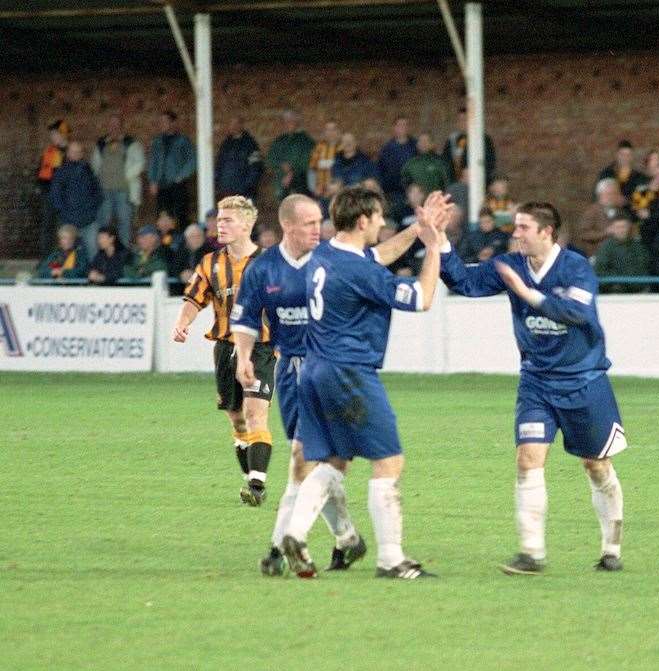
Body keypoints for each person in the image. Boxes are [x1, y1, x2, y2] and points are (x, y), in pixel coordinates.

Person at [231, 191, 429, 576]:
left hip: (321, 368)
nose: (317, 229)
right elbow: (245, 317)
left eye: (320, 221)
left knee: (313, 461)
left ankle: (292, 545)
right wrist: (242, 357)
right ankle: (344, 539)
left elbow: (377, 255)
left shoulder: (329, 256)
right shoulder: (265, 268)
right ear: (287, 225)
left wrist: (417, 230)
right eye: (308, 223)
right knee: (315, 460)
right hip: (299, 371)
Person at [437, 201, 628, 574]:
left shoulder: (576, 267)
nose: (516, 234)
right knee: (528, 459)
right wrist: (440, 241)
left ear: (546, 232)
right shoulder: (511, 264)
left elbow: (576, 313)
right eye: (516, 227)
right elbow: (466, 282)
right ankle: (531, 553)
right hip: (537, 382)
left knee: (596, 465)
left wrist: (526, 293)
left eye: (523, 227)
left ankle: (611, 546)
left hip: (583, 382)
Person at [172, 196, 274, 506]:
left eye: (227, 220)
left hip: (261, 347)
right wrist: (182, 323)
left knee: (255, 412)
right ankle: (250, 478)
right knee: (236, 418)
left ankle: (257, 485)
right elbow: (193, 298)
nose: (220, 224)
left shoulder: (270, 262)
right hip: (225, 347)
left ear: (247, 224)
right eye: (219, 219)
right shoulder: (210, 263)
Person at [91, 113, 146, 248]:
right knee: (104, 223)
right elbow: (94, 165)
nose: (114, 127)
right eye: (111, 124)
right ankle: (105, 253)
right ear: (108, 126)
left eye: (116, 124)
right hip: (104, 190)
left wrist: (126, 176)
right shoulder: (101, 143)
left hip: (124, 190)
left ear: (121, 126)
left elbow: (140, 163)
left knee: (125, 223)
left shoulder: (131, 143)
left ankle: (124, 254)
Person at [49, 141, 102, 259]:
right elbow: (55, 196)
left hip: (88, 221)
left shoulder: (89, 171)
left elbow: (97, 193)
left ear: (82, 154)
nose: (76, 154)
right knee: (67, 254)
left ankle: (91, 276)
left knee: (92, 252)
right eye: (73, 152)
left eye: (78, 152)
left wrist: (92, 211)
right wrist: (65, 214)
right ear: (68, 153)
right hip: (69, 221)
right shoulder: (61, 172)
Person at [147, 110, 196, 229]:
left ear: (173, 123)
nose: (162, 124)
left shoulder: (183, 141)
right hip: (162, 185)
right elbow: (153, 162)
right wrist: (152, 181)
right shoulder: (157, 142)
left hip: (177, 185)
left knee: (179, 216)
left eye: (165, 121)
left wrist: (181, 176)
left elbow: (193, 160)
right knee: (163, 217)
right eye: (161, 122)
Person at [593, 213, 650, 293]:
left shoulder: (638, 247)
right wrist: (618, 282)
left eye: (623, 227)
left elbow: (644, 267)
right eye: (618, 227)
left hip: (638, 292)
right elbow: (600, 271)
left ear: (629, 227)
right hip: (615, 293)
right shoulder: (605, 248)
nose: (621, 230)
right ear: (612, 228)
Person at [265, 109, 315, 200]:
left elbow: (308, 161)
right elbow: (270, 159)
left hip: (301, 183)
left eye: (291, 121)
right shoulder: (279, 141)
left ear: (297, 122)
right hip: (280, 181)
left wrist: (292, 172)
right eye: (285, 121)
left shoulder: (306, 141)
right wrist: (281, 164)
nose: (288, 123)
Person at [36, 119, 69, 255]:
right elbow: (41, 171)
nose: (52, 137)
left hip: (63, 196)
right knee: (47, 227)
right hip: (49, 194)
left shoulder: (70, 152)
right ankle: (46, 259)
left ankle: (64, 258)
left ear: (63, 134)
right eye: (52, 134)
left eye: (55, 134)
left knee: (63, 228)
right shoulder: (49, 151)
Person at [215, 115, 264, 200]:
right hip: (226, 192)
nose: (233, 127)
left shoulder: (250, 145)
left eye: (236, 123)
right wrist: (219, 185)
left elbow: (256, 168)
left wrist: (245, 187)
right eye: (231, 124)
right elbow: (219, 165)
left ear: (241, 125)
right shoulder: (225, 144)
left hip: (245, 193)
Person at [442, 106, 496, 183]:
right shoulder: (452, 140)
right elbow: (445, 162)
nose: (462, 123)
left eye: (465, 120)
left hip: (477, 185)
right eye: (459, 120)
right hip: (457, 185)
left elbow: (489, 164)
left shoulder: (483, 139)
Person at [573, 178, 623, 259]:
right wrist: (606, 232)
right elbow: (583, 234)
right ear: (600, 195)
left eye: (614, 194)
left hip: (618, 256)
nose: (612, 197)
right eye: (608, 194)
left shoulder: (621, 212)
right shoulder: (591, 212)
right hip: (598, 256)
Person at [377, 116, 417, 208]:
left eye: (405, 125)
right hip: (394, 192)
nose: (403, 128)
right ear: (394, 128)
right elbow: (381, 170)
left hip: (413, 189)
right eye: (400, 125)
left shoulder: (416, 146)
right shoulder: (386, 149)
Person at [307, 120, 341, 199]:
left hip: (338, 191)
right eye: (328, 130)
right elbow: (312, 169)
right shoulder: (319, 148)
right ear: (325, 132)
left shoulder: (343, 147)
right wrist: (313, 188)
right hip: (321, 192)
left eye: (333, 129)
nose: (331, 132)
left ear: (338, 131)